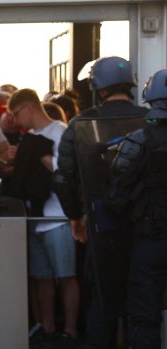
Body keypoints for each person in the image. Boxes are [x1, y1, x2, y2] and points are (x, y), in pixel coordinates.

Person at [53, 56, 149, 348]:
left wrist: (75, 216)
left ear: (98, 87)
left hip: (100, 223)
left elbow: (62, 178)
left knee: (102, 302)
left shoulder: (81, 124)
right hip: (146, 225)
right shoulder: (151, 121)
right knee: (143, 303)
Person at [8, 89, 80, 346]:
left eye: (16, 114)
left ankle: (70, 331)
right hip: (35, 219)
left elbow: (67, 172)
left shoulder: (60, 131)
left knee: (66, 276)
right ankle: (48, 328)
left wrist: (38, 155)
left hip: (59, 217)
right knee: (42, 278)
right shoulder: (32, 137)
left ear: (28, 107)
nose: (16, 120)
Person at [107, 68, 167, 349]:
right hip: (149, 234)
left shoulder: (138, 141)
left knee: (144, 315)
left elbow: (116, 193)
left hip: (150, 237)